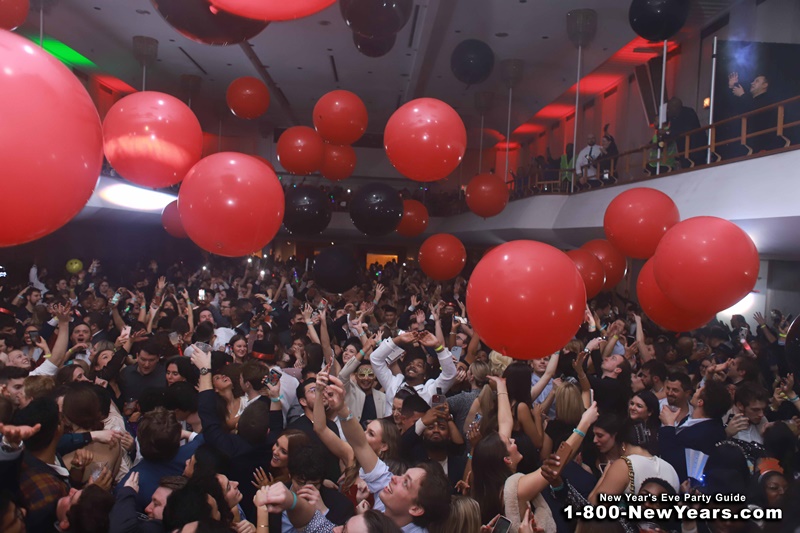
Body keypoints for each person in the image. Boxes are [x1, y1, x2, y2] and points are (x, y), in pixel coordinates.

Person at [664, 97, 704, 167]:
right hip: (684, 151)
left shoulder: (688, 113)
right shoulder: (673, 118)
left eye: (669, 108)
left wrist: (669, 132)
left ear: (675, 107)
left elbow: (686, 129)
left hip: (695, 150)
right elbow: (671, 134)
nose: (668, 110)